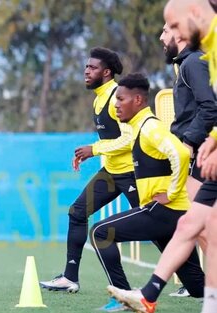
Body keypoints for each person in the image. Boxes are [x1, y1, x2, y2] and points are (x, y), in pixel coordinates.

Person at [90, 73, 205, 312]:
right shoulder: (137, 128)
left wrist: (171, 192)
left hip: (164, 211)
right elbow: (121, 143)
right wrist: (94, 149)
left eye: (121, 99)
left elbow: (181, 154)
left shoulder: (150, 127)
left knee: (101, 232)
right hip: (174, 215)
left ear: (139, 100)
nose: (116, 104)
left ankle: (123, 299)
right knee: (198, 287)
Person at [38, 47, 140, 312]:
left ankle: (195, 283)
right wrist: (92, 152)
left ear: (106, 73)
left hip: (133, 173)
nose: (86, 71)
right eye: (86, 67)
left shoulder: (119, 95)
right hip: (112, 172)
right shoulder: (98, 99)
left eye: (92, 68)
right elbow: (112, 139)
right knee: (77, 212)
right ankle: (70, 278)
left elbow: (130, 138)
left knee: (163, 227)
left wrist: (93, 150)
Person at [159, 22, 217, 297]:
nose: (161, 37)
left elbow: (210, 107)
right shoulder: (188, 62)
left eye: (166, 31)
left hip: (201, 153)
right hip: (197, 150)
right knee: (200, 227)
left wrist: (189, 142)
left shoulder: (193, 62)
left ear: (180, 34)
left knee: (202, 227)